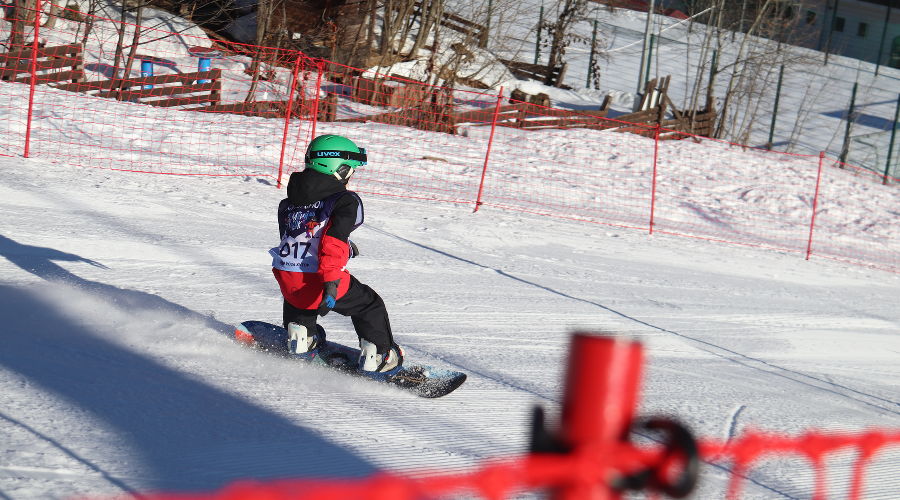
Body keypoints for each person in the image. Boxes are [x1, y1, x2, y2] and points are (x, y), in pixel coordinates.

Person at [270, 134, 404, 376]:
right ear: (339, 169)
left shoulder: (289, 201)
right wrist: (331, 280)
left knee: (300, 297)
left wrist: (347, 247)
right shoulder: (344, 200)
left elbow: (298, 236)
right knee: (369, 305)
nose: (352, 175)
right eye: (351, 169)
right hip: (322, 278)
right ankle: (380, 355)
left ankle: (301, 336)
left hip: (286, 274)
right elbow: (332, 241)